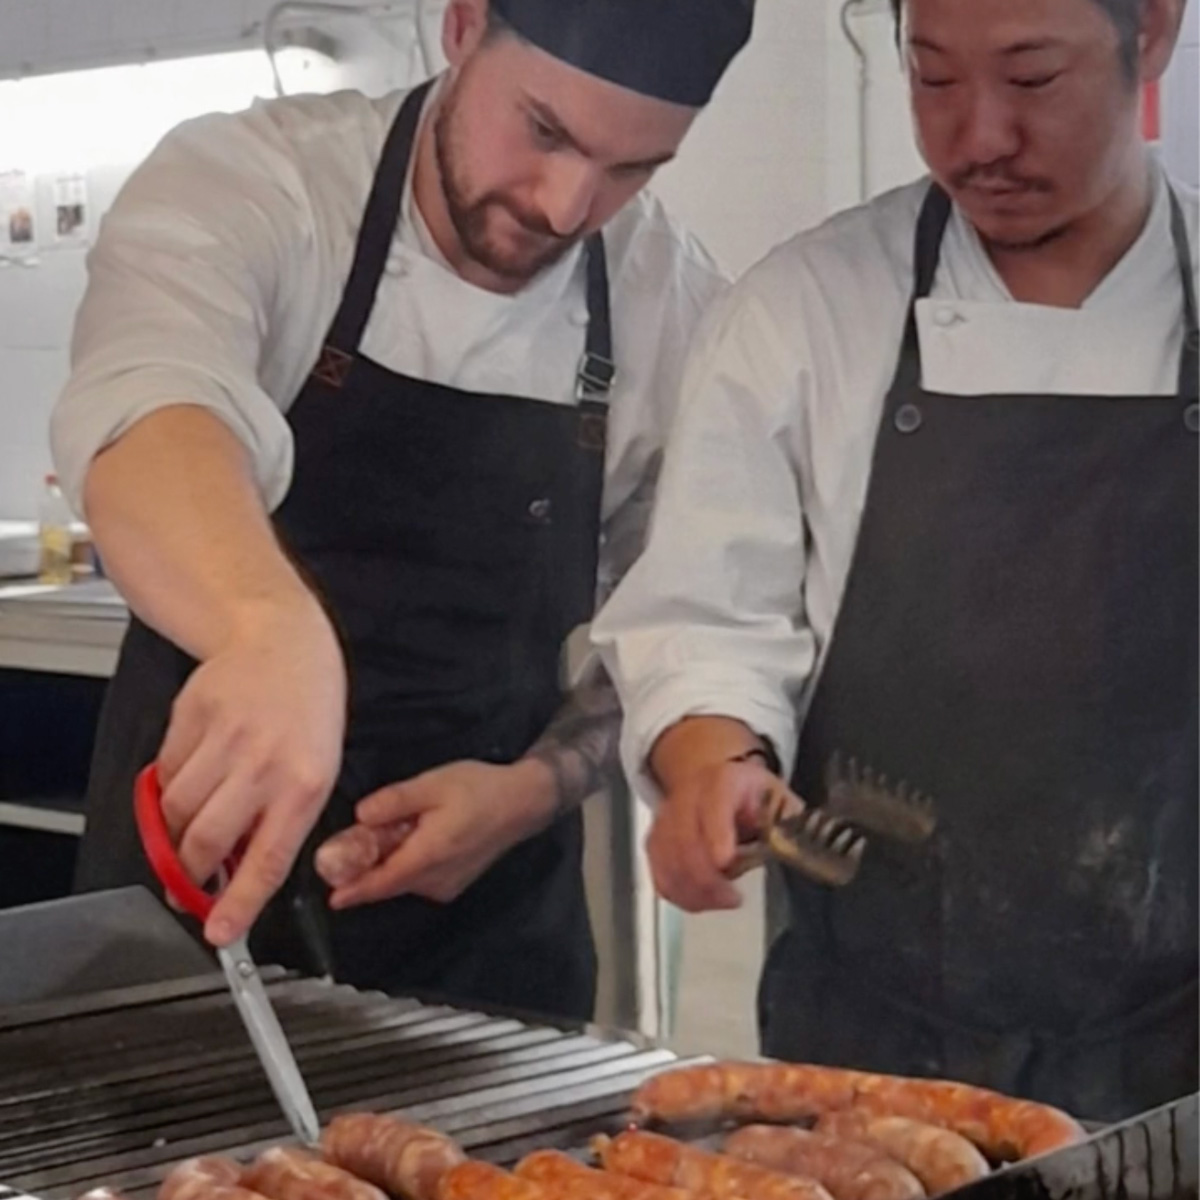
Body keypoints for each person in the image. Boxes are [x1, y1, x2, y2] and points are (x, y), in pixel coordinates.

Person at [53, 0, 754, 1022]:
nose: (567, 205)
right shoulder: (259, 186)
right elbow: (151, 409)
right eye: (545, 131)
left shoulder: (676, 309)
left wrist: (533, 793)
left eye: (632, 169)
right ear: (463, 24)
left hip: (491, 939)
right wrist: (265, 630)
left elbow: (668, 629)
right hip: (194, 903)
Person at [593, 0, 1197, 1118]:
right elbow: (706, 625)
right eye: (932, 80)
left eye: (1030, 81)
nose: (977, 139)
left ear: (1151, 35)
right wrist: (709, 764)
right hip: (868, 1056)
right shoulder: (804, 315)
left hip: (1182, 1046)